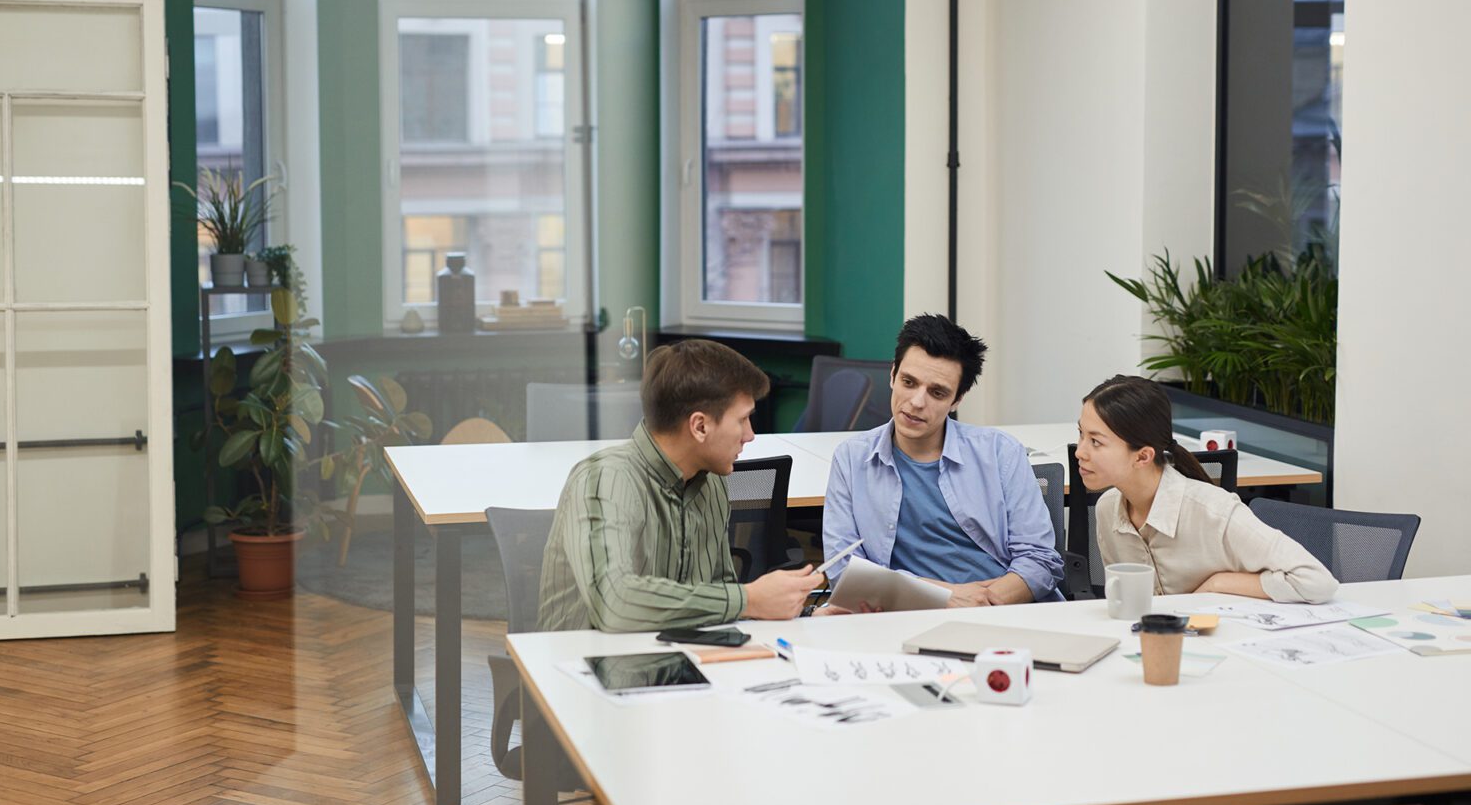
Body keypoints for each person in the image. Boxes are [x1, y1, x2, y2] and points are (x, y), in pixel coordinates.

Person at [538, 339, 823, 632]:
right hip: (587, 667)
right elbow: (614, 603)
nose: (750, 435)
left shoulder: (713, 483)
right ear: (700, 426)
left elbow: (719, 595)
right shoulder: (604, 480)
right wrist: (749, 599)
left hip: (673, 661)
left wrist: (803, 616)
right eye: (743, 420)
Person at [822, 314, 1064, 606]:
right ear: (892, 374)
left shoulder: (1001, 453)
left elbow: (1039, 561)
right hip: (902, 615)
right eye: (908, 382)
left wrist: (983, 603)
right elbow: (843, 571)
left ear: (958, 399)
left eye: (937, 392)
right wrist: (942, 597)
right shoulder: (852, 458)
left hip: (1003, 611)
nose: (916, 402)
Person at [1077, 374, 1338, 602]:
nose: (1080, 452)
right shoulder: (1108, 509)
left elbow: (1316, 581)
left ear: (1143, 456)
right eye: (1081, 435)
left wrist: (1218, 584)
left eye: (1096, 442)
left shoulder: (1215, 512)